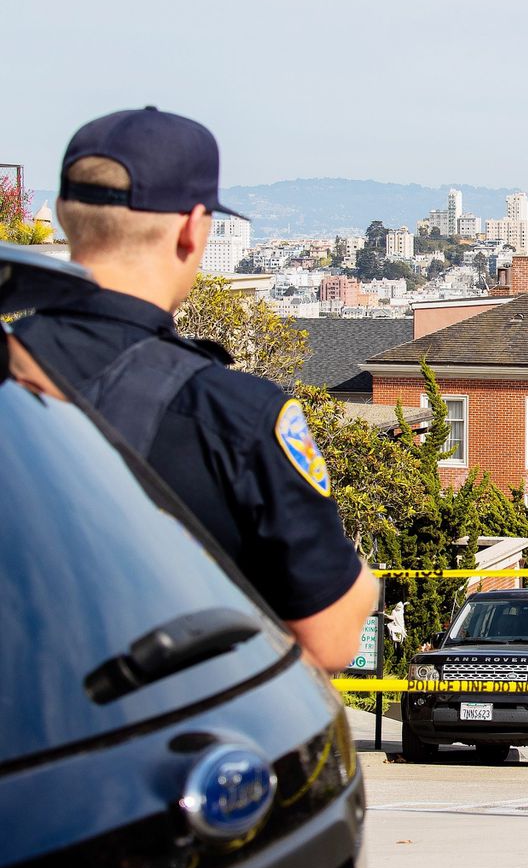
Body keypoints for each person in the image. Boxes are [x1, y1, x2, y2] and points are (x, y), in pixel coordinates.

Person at [15, 107, 376, 671]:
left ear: (64, 214)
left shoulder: (14, 365)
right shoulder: (234, 416)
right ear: (194, 227)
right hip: (136, 739)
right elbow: (332, 639)